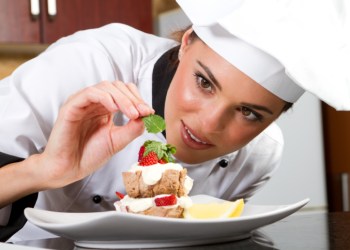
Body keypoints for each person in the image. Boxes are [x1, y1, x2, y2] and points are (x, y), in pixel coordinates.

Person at [0, 0, 348, 242]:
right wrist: (44, 170)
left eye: (249, 112)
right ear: (186, 43)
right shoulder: (88, 64)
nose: (210, 123)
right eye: (204, 82)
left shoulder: (259, 156)